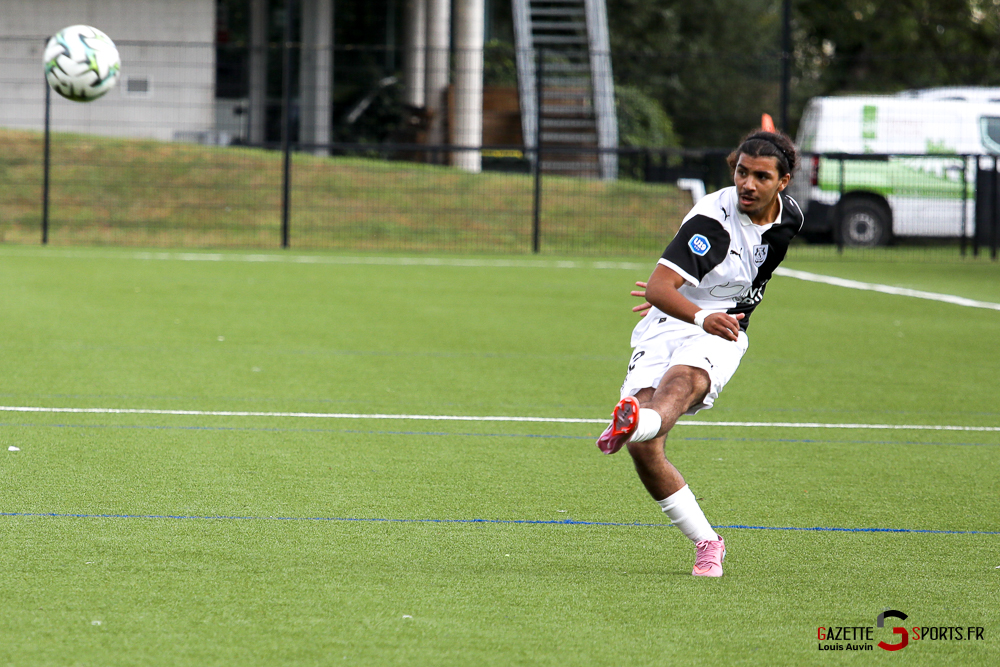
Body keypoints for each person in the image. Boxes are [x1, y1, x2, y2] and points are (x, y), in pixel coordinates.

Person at [596, 129, 804, 577]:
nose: (747, 184)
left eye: (760, 176)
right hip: (675, 319)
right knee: (645, 452)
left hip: (722, 326)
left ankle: (638, 421)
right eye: (740, 172)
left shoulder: (792, 218)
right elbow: (658, 287)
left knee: (683, 382)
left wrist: (715, 309)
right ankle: (708, 540)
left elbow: (756, 270)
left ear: (783, 183)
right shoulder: (712, 221)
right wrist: (691, 308)